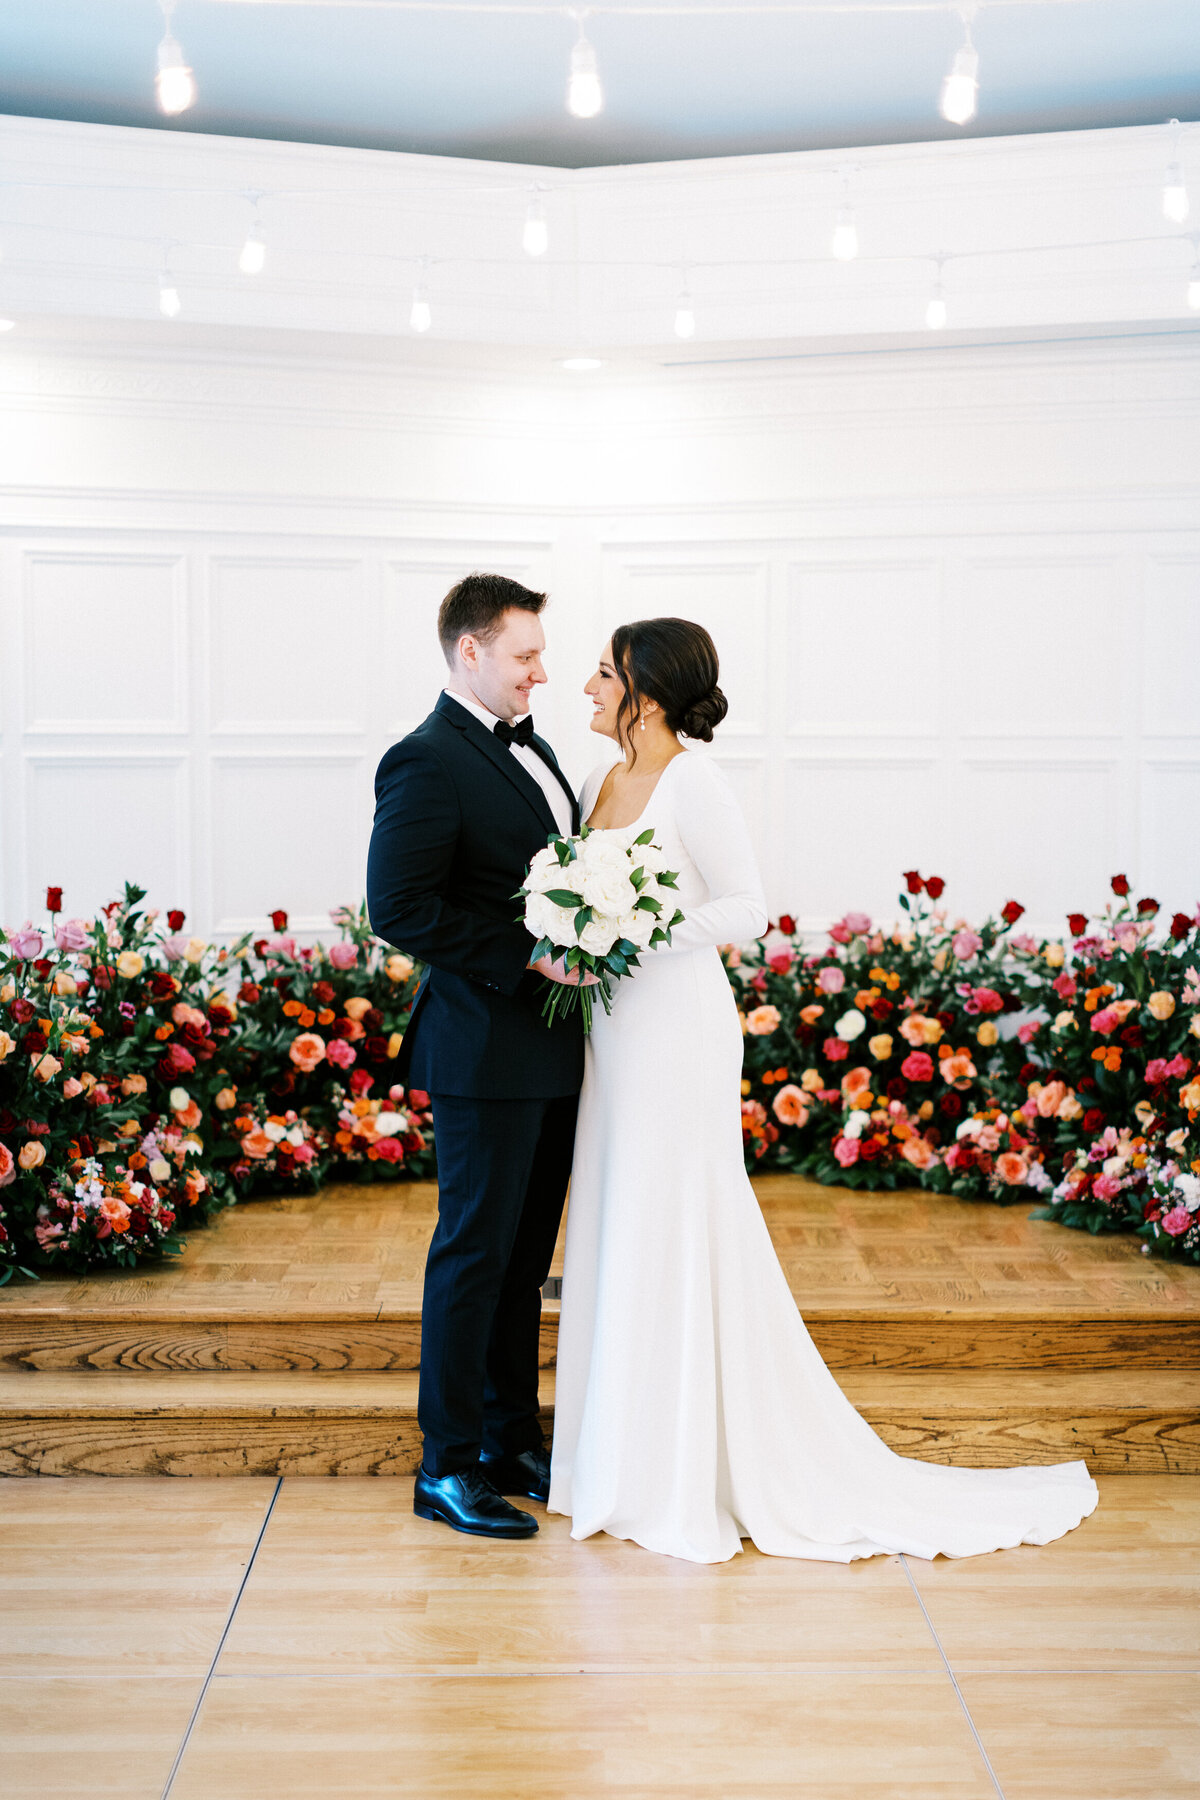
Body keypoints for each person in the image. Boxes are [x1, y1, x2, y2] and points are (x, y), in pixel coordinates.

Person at [548, 616, 1099, 1564]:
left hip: (677, 1031)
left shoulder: (696, 781)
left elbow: (747, 909)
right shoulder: (599, 781)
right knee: (618, 1214)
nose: (588, 689)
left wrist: (630, 933)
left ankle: (689, 1469)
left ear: (648, 689)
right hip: (614, 1034)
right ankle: (625, 1460)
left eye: (604, 675)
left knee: (674, 1217)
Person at [366, 572, 592, 1540]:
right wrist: (527, 955)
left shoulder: (529, 746)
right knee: (472, 1257)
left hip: (548, 1048)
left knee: (520, 1262)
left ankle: (509, 1439)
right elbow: (401, 908)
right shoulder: (424, 759)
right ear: (471, 651)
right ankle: (445, 1465)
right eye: (526, 654)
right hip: (482, 1048)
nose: (542, 671)